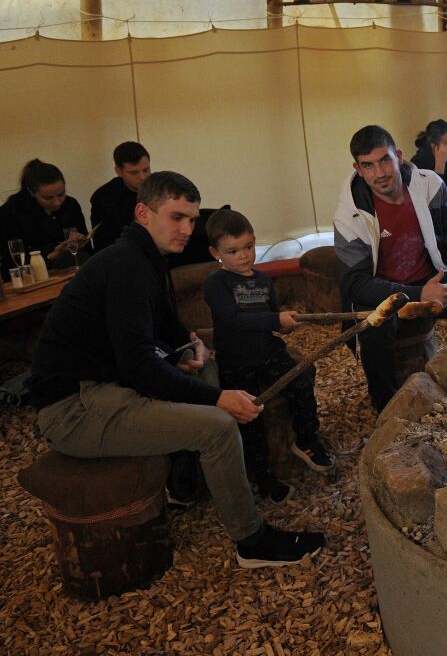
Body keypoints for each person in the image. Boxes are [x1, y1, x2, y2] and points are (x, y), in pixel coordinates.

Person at [27, 171, 324, 568]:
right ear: (143, 213)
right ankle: (252, 541)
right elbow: (137, 364)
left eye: (192, 219)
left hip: (104, 384)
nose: (187, 229)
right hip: (74, 407)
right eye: (176, 217)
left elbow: (162, 328)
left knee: (206, 368)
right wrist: (219, 400)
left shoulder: (145, 259)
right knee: (217, 427)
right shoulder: (126, 265)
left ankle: (185, 484)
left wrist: (188, 344)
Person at [335, 125, 447, 411]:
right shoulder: (349, 216)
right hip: (384, 295)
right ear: (358, 168)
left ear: (399, 156)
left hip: (431, 280)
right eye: (368, 165)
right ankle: (388, 410)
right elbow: (355, 285)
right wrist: (418, 294)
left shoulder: (429, 185)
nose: (379, 173)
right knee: (373, 330)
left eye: (384, 160)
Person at [204, 208, 335, 504]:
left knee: (301, 378)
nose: (244, 256)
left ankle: (306, 438)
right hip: (236, 362)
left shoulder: (263, 280)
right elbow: (233, 320)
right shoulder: (217, 283)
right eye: (233, 251)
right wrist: (275, 320)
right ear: (216, 253)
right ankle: (263, 477)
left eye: (249, 247)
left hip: (268, 353)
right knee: (250, 419)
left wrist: (285, 327)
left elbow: (271, 317)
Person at [0, 158, 88, 277]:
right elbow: (12, 261)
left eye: (61, 194)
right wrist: (52, 254)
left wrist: (80, 240)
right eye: (48, 198)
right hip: (32, 277)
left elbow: (86, 243)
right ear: (31, 192)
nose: (57, 202)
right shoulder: (11, 212)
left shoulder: (70, 205)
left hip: (72, 269)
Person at [90, 141, 152, 251]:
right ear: (118, 171)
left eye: (146, 170)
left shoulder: (159, 189)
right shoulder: (103, 198)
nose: (143, 177)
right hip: (124, 255)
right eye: (134, 173)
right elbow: (104, 243)